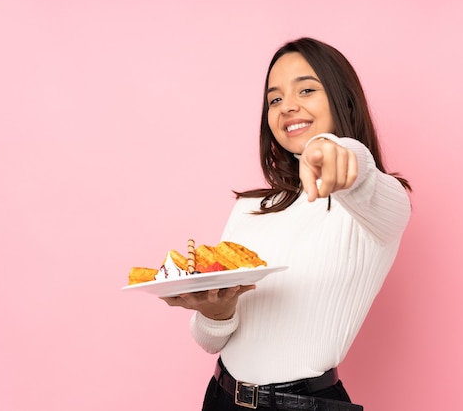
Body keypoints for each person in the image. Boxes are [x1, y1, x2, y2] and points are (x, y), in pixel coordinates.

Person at [161, 37, 411, 411]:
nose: (287, 106)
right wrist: (215, 313)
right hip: (221, 397)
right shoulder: (251, 207)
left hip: (303, 404)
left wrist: (331, 148)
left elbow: (362, 175)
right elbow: (211, 340)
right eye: (274, 99)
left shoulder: (378, 204)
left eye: (306, 90)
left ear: (344, 101)